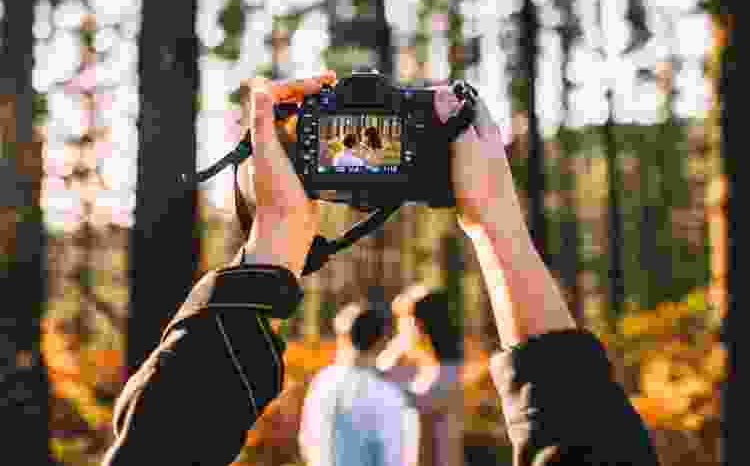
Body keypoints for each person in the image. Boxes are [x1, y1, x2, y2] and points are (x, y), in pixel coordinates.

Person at [101, 71, 660, 466]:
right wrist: (497, 224)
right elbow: (590, 451)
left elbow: (157, 447)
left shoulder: (351, 385)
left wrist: (274, 237)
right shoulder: (396, 385)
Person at [298, 302, 419, 466]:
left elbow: (307, 442)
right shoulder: (386, 394)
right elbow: (394, 458)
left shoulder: (322, 382)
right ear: (381, 341)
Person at [377, 285, 465, 466]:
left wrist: (399, 346)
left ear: (421, 324)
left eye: (404, 321)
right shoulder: (419, 369)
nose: (400, 328)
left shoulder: (447, 373)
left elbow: (387, 386)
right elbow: (379, 374)